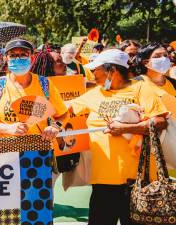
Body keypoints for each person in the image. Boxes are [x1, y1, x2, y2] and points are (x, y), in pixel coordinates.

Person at [68, 49, 168, 225]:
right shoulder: (95, 93)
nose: (92, 75)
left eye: (96, 70)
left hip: (139, 182)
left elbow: (160, 121)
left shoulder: (140, 88)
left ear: (112, 71)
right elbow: (64, 111)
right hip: (102, 183)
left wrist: (124, 128)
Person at [0, 39, 68, 140]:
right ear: (6, 59)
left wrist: (55, 126)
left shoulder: (44, 84)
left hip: (39, 152)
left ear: (31, 59)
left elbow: (63, 115)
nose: (18, 58)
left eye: (23, 54)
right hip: (5, 152)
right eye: (13, 55)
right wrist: (8, 128)